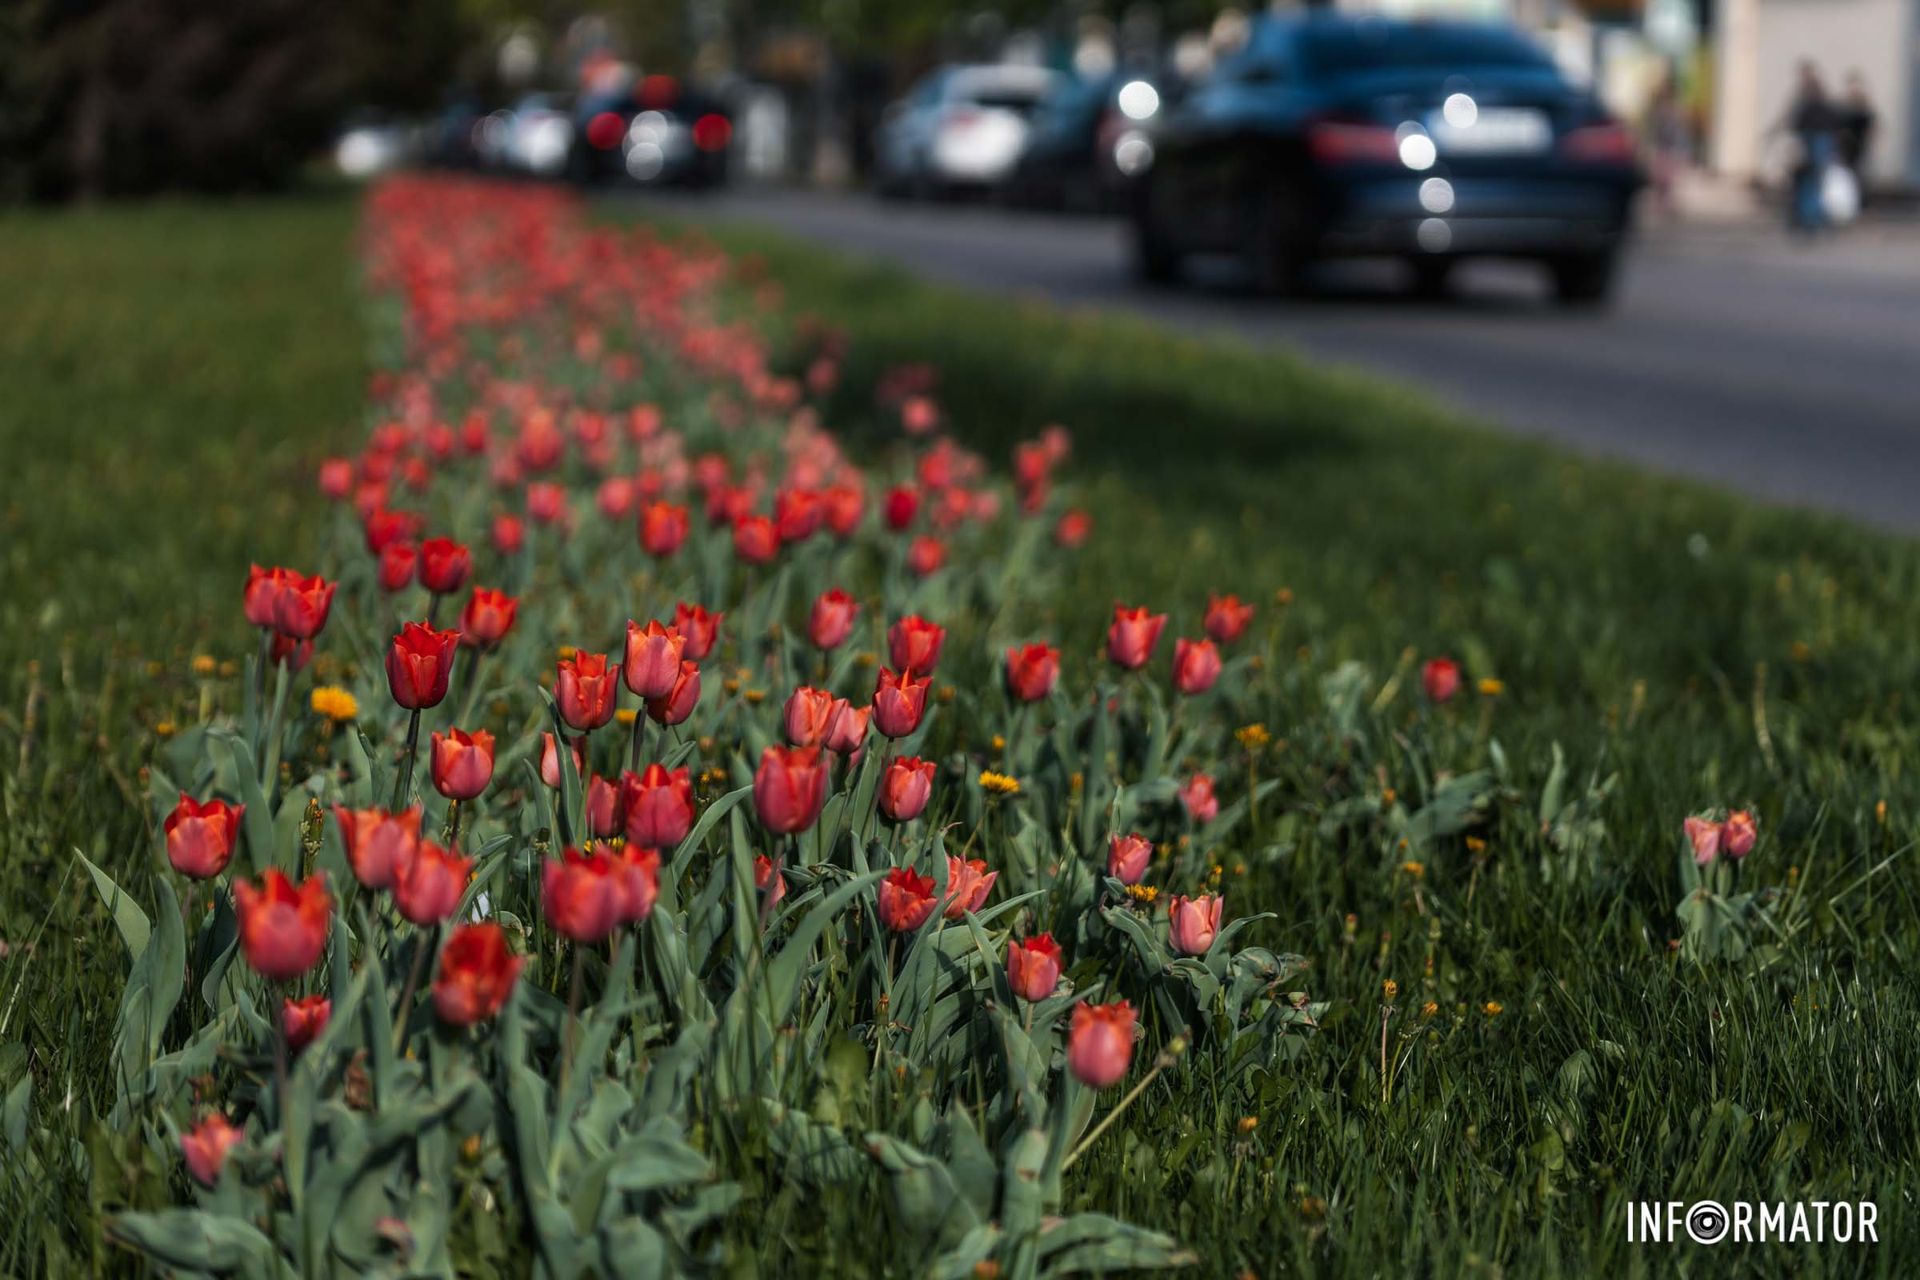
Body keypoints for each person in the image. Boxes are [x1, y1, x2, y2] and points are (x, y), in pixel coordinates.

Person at [1774, 62, 1837, 234]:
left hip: (1814, 138)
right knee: (1809, 181)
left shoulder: (1810, 93)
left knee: (1811, 181)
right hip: (1812, 139)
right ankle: (1809, 218)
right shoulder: (1814, 93)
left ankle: (1810, 218)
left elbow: (1791, 115)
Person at [1836, 71, 1877, 202]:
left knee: (1860, 173)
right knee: (1849, 173)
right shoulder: (1844, 104)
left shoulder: (1863, 103)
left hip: (1860, 144)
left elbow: (1870, 123)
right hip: (1847, 145)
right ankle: (1851, 200)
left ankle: (1861, 200)